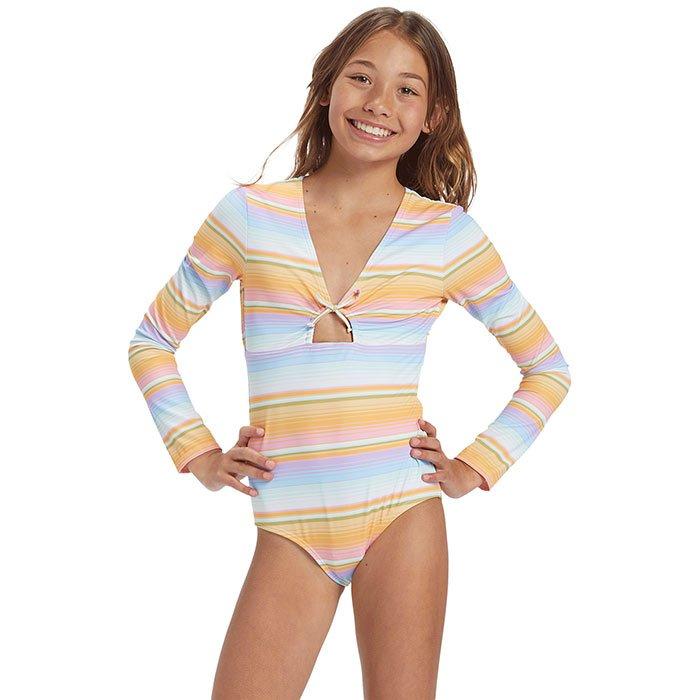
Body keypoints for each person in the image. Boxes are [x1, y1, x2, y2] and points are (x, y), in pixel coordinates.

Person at [128, 8, 571, 699]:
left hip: (402, 515)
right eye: (361, 77)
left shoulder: (446, 234)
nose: (379, 102)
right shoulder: (249, 216)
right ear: (328, 86)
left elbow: (547, 368)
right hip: (290, 524)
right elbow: (153, 341)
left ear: (433, 116)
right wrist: (199, 454)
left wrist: (474, 468)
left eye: (406, 89)